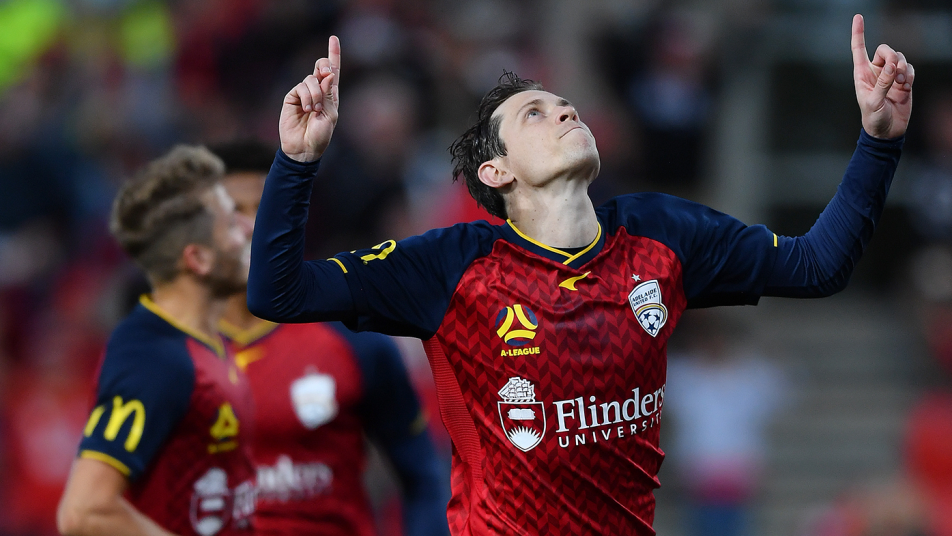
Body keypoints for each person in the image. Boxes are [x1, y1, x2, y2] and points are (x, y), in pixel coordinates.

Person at [248, 14, 914, 535]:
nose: (566, 112)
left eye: (565, 104)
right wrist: (296, 162)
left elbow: (817, 265)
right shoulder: (450, 267)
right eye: (534, 113)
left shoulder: (664, 234)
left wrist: (879, 141)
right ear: (496, 172)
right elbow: (278, 292)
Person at [210, 141, 450, 536]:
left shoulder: (355, 342)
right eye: (236, 212)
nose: (253, 226)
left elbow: (424, 478)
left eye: (264, 209)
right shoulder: (164, 352)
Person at [57, 146, 257, 536]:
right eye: (232, 223)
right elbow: (85, 511)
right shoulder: (153, 358)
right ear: (198, 259)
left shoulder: (206, 342)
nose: (248, 228)